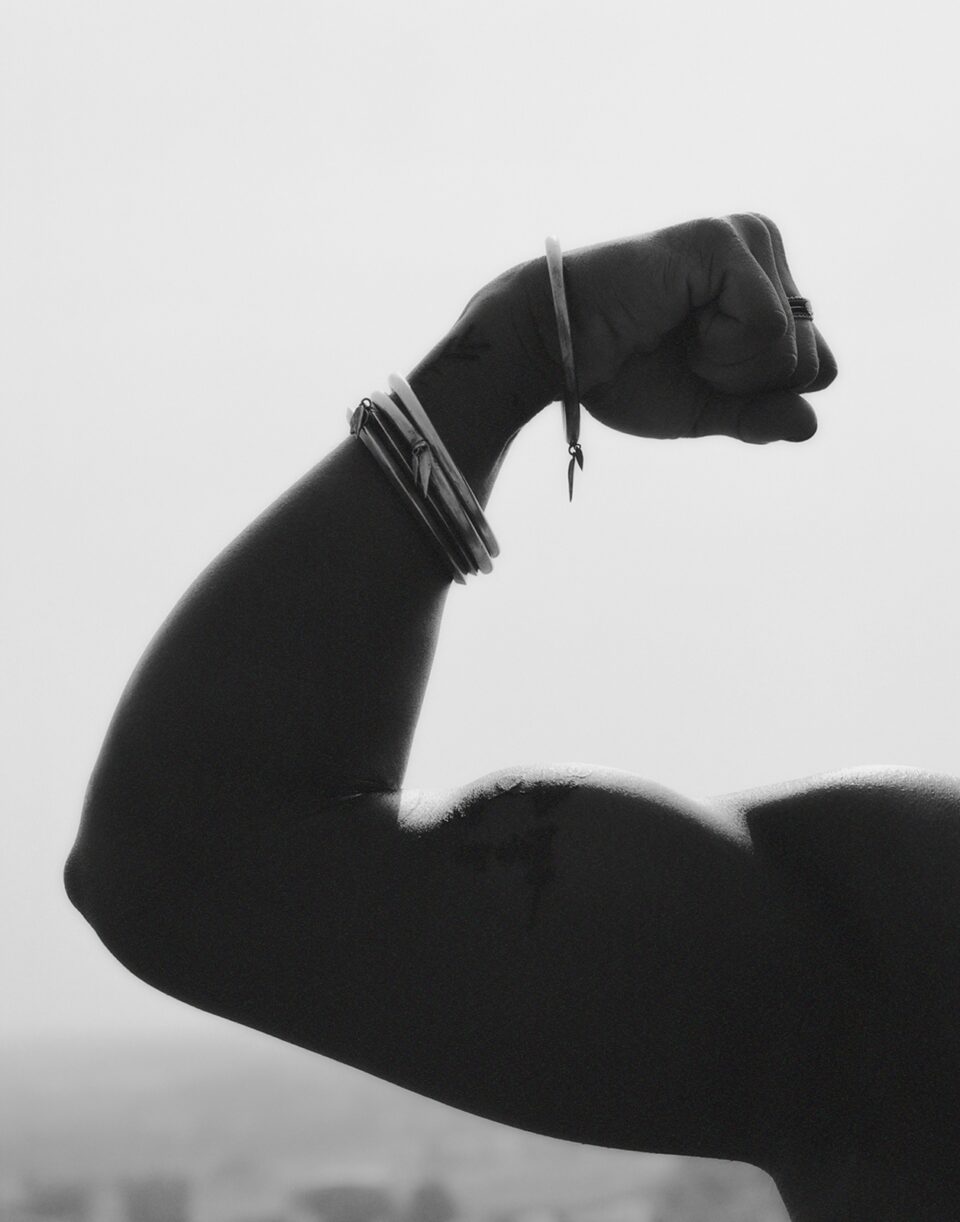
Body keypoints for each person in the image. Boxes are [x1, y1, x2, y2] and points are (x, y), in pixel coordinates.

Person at [64, 214, 960, 1221]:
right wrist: (529, 343)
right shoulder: (917, 954)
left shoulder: (912, 955)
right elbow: (193, 862)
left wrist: (521, 349)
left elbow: (192, 861)